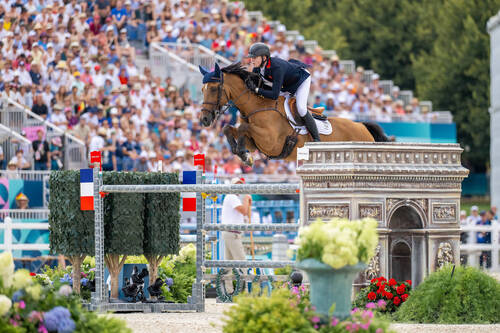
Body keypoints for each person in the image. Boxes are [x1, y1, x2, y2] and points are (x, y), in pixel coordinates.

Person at [245, 42, 321, 142]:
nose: (252, 60)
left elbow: (274, 95)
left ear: (264, 58)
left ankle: (317, 139)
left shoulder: (276, 67)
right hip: (285, 85)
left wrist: (256, 89)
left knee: (301, 109)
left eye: (254, 58)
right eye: (251, 58)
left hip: (300, 81)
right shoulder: (257, 69)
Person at [220, 177, 252, 292]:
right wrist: (246, 199)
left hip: (231, 233)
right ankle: (246, 290)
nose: (239, 187)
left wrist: (247, 203)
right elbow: (243, 211)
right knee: (242, 261)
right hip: (232, 233)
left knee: (229, 263)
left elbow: (247, 216)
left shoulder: (234, 198)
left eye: (240, 184)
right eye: (237, 184)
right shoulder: (232, 196)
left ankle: (229, 291)